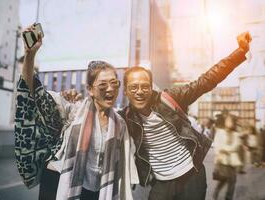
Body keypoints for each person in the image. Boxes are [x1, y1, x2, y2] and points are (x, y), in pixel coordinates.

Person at [118, 32, 251, 200]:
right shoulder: (126, 118)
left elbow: (206, 80)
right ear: (126, 91)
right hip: (161, 183)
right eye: (133, 87)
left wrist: (239, 52)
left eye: (144, 86)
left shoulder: (169, 98)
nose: (139, 92)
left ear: (151, 88)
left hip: (191, 176)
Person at [14, 24, 138, 200]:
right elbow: (32, 94)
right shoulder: (72, 109)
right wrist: (30, 54)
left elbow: (123, 162)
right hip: (58, 182)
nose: (110, 89)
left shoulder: (120, 124)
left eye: (114, 83)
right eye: (102, 85)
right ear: (90, 89)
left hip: (96, 190)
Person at [213, 114, 243, 200]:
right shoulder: (220, 132)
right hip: (222, 160)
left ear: (233, 123)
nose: (229, 122)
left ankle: (228, 198)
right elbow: (217, 146)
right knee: (224, 179)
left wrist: (225, 149)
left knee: (232, 181)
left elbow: (236, 146)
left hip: (233, 161)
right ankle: (217, 191)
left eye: (230, 121)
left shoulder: (236, 134)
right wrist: (224, 150)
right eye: (227, 120)